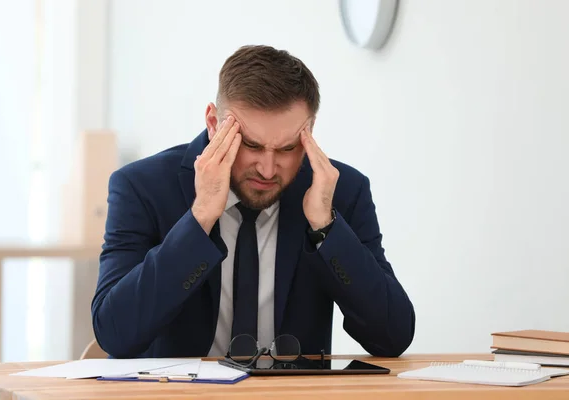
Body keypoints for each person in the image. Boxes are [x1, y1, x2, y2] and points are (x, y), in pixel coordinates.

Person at [91, 45, 415, 360]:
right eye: (251, 144)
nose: (268, 168)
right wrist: (200, 217)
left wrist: (326, 227)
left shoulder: (341, 191)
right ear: (214, 123)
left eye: (287, 148)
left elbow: (392, 337)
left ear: (309, 131)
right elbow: (115, 334)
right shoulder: (142, 186)